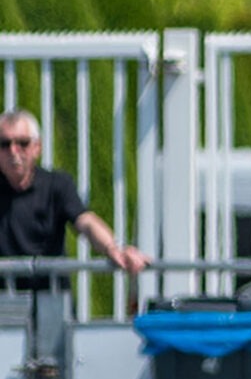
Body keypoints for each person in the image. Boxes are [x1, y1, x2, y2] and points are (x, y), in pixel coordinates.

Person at [0, 108, 149, 286]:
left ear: (37, 147)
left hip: (51, 296)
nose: (14, 151)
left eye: (22, 143)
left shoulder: (57, 184)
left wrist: (113, 248)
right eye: (4, 144)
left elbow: (85, 221)